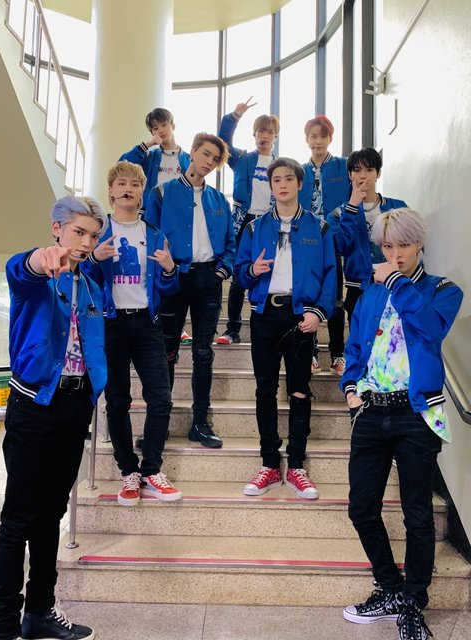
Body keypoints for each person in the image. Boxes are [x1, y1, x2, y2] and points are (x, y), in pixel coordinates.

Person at [341, 208, 463, 640]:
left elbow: (430, 329)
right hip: (371, 411)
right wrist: (351, 389)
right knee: (361, 508)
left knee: (417, 514)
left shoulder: (443, 290)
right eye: (388, 246)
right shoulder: (371, 295)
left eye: (404, 245)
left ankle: (413, 602)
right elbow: (355, 347)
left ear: (419, 245)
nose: (395, 254)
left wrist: (395, 281)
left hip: (416, 415)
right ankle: (390, 589)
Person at [0, 196, 108, 640]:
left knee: (52, 512)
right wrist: (40, 262)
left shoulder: (91, 287)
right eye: (78, 232)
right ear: (57, 228)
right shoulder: (36, 276)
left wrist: (94, 389)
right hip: (34, 407)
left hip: (75, 408)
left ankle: (39, 610)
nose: (86, 242)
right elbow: (23, 269)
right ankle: (6, 625)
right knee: (18, 517)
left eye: (92, 235)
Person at [235, 157, 337, 499]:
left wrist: (319, 312)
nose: (282, 184)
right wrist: (253, 270)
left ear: (299, 183)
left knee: (299, 390)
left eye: (288, 178)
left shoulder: (319, 228)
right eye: (276, 179)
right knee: (265, 390)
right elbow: (240, 274)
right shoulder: (254, 228)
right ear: (271, 185)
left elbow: (330, 275)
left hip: (300, 318)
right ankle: (269, 463)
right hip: (264, 315)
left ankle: (296, 465)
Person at [83, 160, 182, 506]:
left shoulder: (154, 234)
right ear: (111, 191)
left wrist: (169, 268)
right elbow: (81, 279)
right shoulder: (98, 233)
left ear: (142, 193)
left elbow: (169, 288)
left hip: (146, 323)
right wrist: (93, 259)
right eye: (121, 183)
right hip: (110, 324)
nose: (128, 189)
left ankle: (152, 469)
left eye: (135, 184)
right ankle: (129, 471)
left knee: (161, 398)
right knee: (117, 401)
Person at [145, 133, 235, 448]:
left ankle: (199, 423)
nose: (209, 162)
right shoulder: (161, 193)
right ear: (193, 151)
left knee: (203, 352)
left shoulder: (220, 200)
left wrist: (222, 271)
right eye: (205, 154)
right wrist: (163, 271)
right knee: (167, 351)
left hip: (208, 280)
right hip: (173, 278)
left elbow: (230, 244)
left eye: (215, 159)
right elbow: (150, 238)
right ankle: (160, 423)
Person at [119, 107, 192, 344]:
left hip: (180, 219)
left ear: (173, 125)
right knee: (153, 264)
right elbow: (123, 164)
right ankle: (156, 315)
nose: (160, 130)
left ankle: (179, 324)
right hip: (153, 216)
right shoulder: (150, 158)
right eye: (155, 128)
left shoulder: (187, 159)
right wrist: (148, 144)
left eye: (163, 125)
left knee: (175, 266)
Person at [216, 97, 279, 345]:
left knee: (269, 273)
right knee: (238, 277)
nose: (265, 135)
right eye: (261, 130)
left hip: (270, 224)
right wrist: (234, 116)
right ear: (254, 134)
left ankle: (266, 327)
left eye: (270, 131)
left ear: (275, 136)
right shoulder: (242, 158)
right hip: (244, 222)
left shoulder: (281, 165)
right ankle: (232, 329)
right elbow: (222, 141)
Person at [327, 147, 407, 325]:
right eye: (357, 170)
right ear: (350, 175)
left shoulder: (398, 208)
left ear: (378, 174)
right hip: (358, 288)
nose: (363, 175)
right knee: (361, 337)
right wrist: (351, 208)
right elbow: (342, 247)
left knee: (394, 336)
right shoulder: (338, 214)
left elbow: (412, 245)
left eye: (369, 169)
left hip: (395, 282)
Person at [299, 115, 350, 375]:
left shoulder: (344, 166)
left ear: (330, 138)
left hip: (333, 240)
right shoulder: (300, 172)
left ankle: (338, 354)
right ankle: (311, 352)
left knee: (336, 299)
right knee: (308, 297)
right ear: (306, 139)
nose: (318, 141)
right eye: (313, 136)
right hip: (306, 242)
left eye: (323, 136)